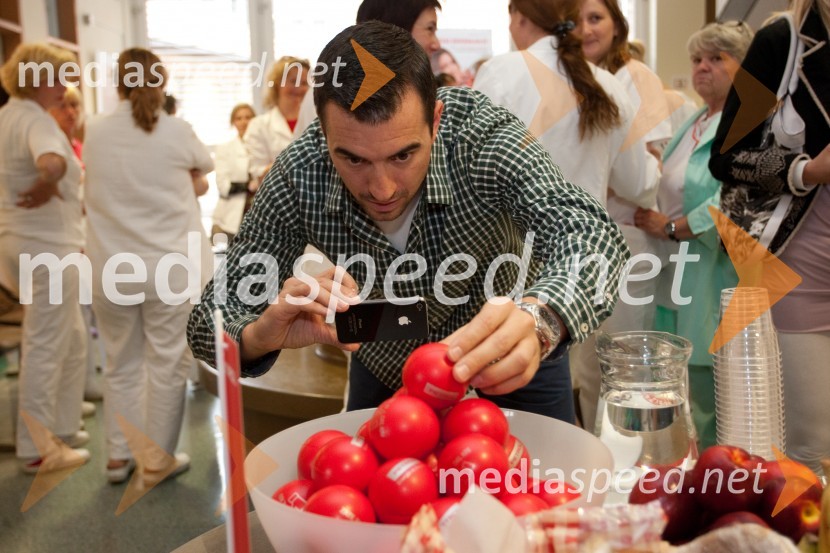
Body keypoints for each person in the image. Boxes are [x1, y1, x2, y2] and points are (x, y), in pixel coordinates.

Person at [187, 21, 629, 423]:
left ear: (435, 121)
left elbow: (590, 234)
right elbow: (209, 318)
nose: (382, 189)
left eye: (403, 155)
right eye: (353, 159)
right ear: (323, 133)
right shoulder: (298, 174)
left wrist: (542, 319)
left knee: (543, 493)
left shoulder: (480, 136)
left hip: (516, 351)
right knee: (373, 505)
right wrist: (256, 334)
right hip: (384, 361)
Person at [709, 0, 830, 476]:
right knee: (813, 445)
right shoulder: (785, 39)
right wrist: (806, 170)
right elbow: (727, 156)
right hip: (802, 262)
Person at [83, 47, 214, 484]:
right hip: (167, 271)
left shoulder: (95, 130)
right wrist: (189, 181)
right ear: (161, 83)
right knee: (166, 363)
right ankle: (156, 461)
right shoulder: (176, 130)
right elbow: (205, 168)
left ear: (118, 83)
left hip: (110, 269)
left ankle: (118, 458)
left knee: (120, 363)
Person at [633, 21, 755, 449]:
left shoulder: (751, 118)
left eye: (716, 59)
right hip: (678, 266)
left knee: (709, 384)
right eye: (696, 60)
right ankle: (689, 475)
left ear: (745, 67)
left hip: (717, 265)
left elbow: (733, 196)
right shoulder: (698, 117)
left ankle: (717, 479)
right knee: (679, 377)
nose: (702, 68)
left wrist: (672, 227)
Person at [569, 0, 670, 431]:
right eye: (577, 21)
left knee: (627, 366)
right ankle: (598, 461)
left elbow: (648, 168)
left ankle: (635, 467)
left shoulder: (635, 77)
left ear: (617, 25)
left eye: (597, 19)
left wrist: (592, 172)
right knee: (587, 368)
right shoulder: (570, 80)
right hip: (580, 244)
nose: (587, 30)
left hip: (627, 242)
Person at [0, 43, 90, 473]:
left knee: (70, 336)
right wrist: (44, 181)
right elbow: (52, 163)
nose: (64, 87)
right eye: (59, 78)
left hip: (29, 243)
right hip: (46, 247)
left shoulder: (8, 116)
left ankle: (63, 426)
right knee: (46, 343)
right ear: (37, 79)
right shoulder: (36, 121)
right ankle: (36, 449)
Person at [474, 0, 658, 210]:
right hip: (587, 236)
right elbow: (639, 186)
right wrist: (655, 164)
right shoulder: (608, 85)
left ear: (521, 17)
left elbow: (475, 173)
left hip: (520, 237)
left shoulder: (499, 73)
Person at [292, 0, 443, 139]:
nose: (436, 44)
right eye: (430, 29)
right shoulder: (332, 95)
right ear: (396, 28)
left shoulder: (424, 91)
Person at [244, 57, 309, 187]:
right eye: (293, 81)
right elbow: (260, 175)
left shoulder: (319, 122)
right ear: (277, 84)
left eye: (304, 83)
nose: (299, 88)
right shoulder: (259, 126)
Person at [212, 103, 256, 239]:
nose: (244, 122)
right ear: (233, 122)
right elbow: (224, 187)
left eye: (248, 117)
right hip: (231, 218)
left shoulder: (262, 146)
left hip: (261, 215)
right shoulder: (225, 149)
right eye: (239, 118)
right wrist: (249, 185)